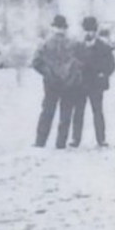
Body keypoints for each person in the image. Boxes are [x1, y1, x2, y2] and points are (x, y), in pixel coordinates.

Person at [31, 15, 80, 148]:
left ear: (53, 28)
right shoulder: (74, 43)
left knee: (47, 111)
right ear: (65, 28)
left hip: (51, 83)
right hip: (69, 83)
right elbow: (80, 63)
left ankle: (40, 141)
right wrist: (73, 76)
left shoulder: (45, 44)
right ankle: (61, 143)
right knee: (66, 112)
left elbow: (35, 63)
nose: (60, 31)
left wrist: (47, 73)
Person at [69, 16, 115, 148]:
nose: (89, 33)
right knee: (78, 111)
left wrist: (104, 73)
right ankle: (75, 139)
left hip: (96, 84)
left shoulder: (104, 47)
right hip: (80, 83)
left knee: (98, 111)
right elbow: (72, 63)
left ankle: (101, 139)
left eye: (91, 30)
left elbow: (111, 64)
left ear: (96, 31)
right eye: (86, 30)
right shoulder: (77, 46)